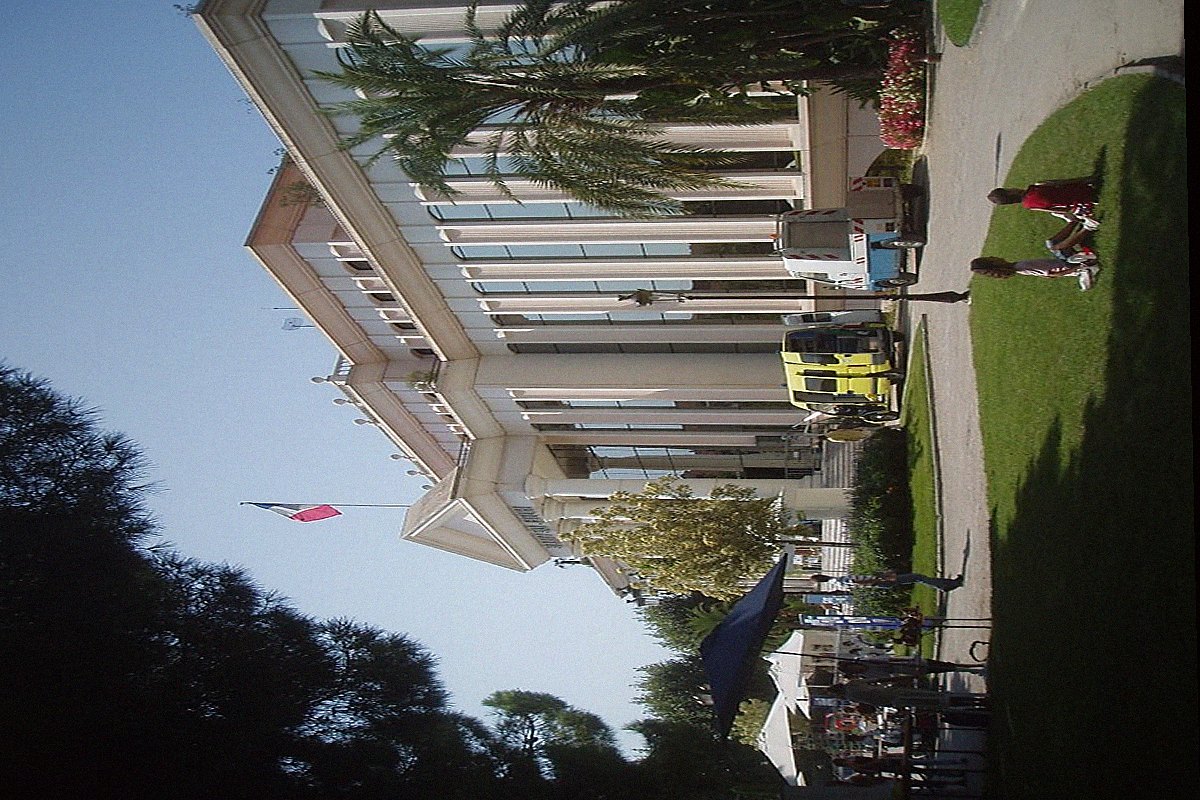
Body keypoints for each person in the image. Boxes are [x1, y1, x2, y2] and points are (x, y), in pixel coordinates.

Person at [987, 177, 1100, 229]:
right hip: (1085, 191)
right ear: (1011, 192)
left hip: (1078, 205)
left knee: (1055, 212)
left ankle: (1080, 216)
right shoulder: (1038, 186)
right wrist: (1086, 179)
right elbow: (1063, 182)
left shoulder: (1029, 206)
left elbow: (1054, 210)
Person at [971, 255, 1100, 292]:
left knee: (1054, 246)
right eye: (991, 258)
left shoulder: (1019, 267)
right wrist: (1077, 268)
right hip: (1068, 266)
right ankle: (1085, 267)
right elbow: (1051, 274)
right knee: (1054, 245)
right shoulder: (1023, 267)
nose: (994, 256)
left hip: (1064, 264)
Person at [811, 571, 964, 592]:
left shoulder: (835, 583)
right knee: (918, 577)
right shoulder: (839, 579)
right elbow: (860, 582)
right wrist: (878, 578)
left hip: (878, 582)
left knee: (917, 578)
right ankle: (946, 584)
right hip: (878, 581)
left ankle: (947, 584)